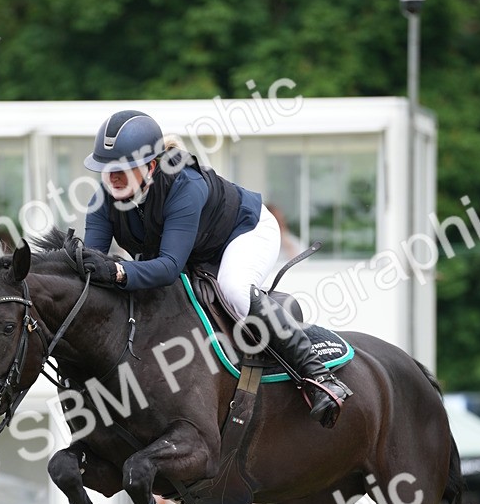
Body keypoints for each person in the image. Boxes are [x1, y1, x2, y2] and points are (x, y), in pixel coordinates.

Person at [81, 110, 351, 427]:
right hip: (194, 248)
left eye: (122, 169)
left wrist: (118, 272)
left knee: (233, 289)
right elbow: (93, 264)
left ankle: (318, 375)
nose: (112, 177)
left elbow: (168, 267)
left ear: (150, 166)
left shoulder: (186, 187)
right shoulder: (103, 200)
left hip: (245, 232)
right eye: (106, 169)